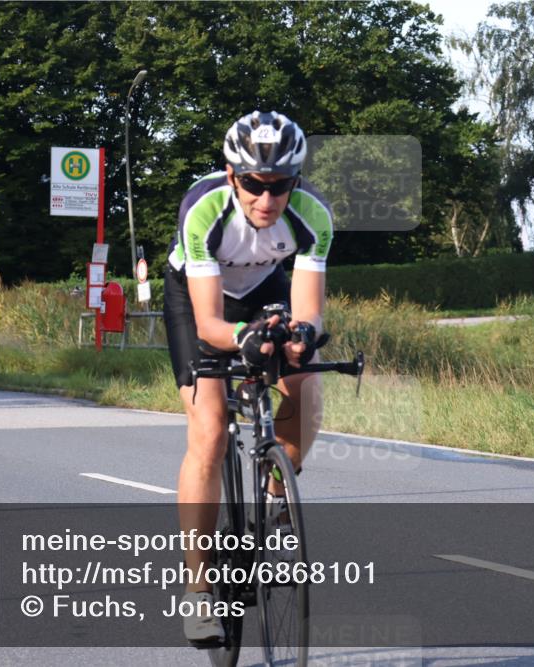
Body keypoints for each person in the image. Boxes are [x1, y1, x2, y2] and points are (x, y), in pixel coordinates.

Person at [162, 110, 332, 644]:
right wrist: (243, 340)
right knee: (210, 430)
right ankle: (197, 589)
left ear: (294, 181)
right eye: (255, 185)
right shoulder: (203, 210)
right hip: (199, 303)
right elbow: (212, 322)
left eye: (280, 185)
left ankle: (276, 490)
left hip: (265, 289)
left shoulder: (312, 217)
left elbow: (309, 312)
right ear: (233, 177)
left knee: (305, 383)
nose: (267, 198)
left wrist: (298, 337)